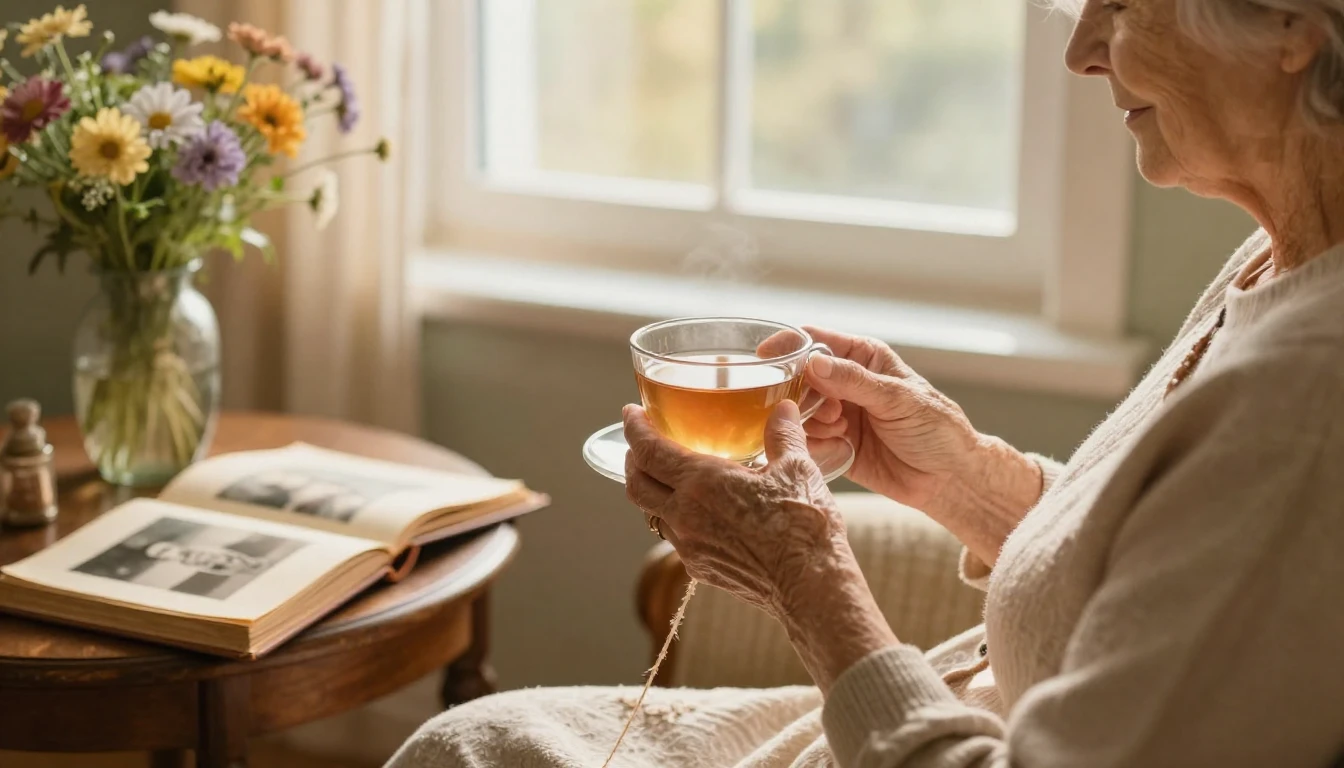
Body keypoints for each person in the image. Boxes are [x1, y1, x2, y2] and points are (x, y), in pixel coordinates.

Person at [388, 0, 1344, 764]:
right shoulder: (1280, 257)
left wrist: (805, 575)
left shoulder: (1308, 403)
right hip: (938, 711)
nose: (1081, 51)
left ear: (1292, 25)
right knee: (475, 741)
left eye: (1124, 5)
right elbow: (1163, 563)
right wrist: (966, 477)